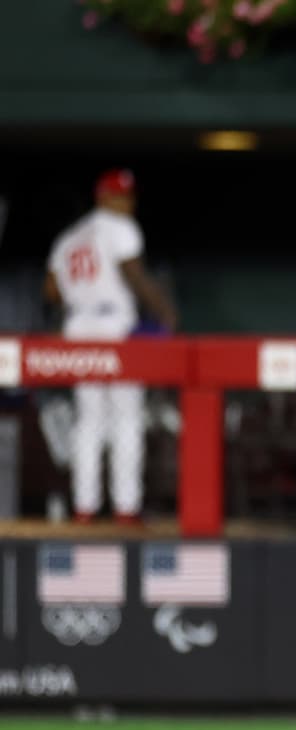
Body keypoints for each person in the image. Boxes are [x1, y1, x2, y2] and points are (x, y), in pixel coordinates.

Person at [44, 169, 177, 524]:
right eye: (120, 195)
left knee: (89, 419)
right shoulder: (119, 227)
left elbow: (51, 291)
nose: (127, 202)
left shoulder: (69, 237)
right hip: (112, 324)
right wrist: (165, 312)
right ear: (103, 196)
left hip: (78, 324)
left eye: (130, 195)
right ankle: (126, 508)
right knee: (126, 416)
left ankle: (85, 507)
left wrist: (80, 295)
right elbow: (133, 274)